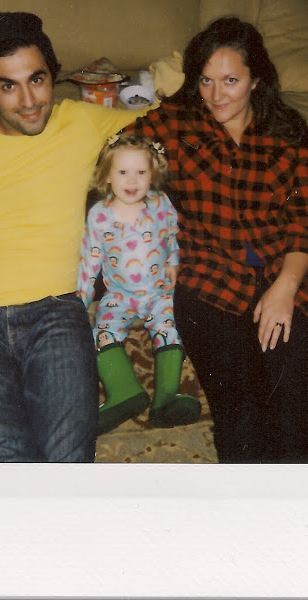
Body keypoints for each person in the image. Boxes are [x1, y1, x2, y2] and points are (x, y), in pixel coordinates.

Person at [0, 12, 154, 462]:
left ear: (53, 76)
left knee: (68, 456)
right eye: (9, 86)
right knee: (0, 457)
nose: (29, 101)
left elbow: (173, 118)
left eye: (37, 80)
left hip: (57, 311)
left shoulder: (81, 121)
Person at [128, 16, 308, 463]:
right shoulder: (173, 124)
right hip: (210, 285)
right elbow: (116, 161)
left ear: (256, 80)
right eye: (206, 80)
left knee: (293, 424)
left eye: (231, 81)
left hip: (286, 279)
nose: (216, 95)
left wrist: (285, 288)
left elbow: (307, 217)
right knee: (241, 423)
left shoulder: (287, 131)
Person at [77, 133, 201, 435]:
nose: (132, 181)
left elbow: (171, 234)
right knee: (101, 332)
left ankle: (166, 400)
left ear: (153, 174)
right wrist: (79, 302)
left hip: (159, 293)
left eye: (141, 172)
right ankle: (124, 391)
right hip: (119, 295)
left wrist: (173, 262)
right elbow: (90, 261)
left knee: (171, 328)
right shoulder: (99, 216)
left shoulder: (160, 203)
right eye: (122, 172)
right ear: (107, 175)